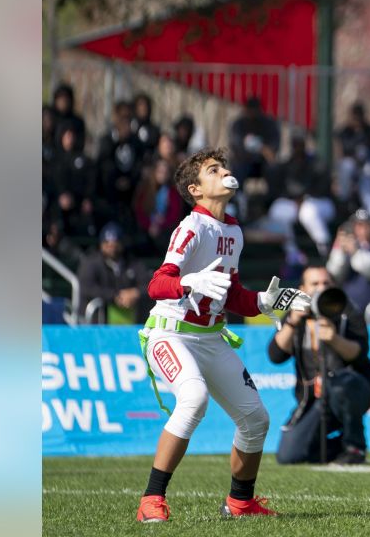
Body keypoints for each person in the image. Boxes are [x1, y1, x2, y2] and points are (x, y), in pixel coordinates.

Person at [135, 148, 310, 522]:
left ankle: (240, 503)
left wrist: (265, 301)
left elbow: (231, 295)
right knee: (194, 398)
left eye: (225, 167)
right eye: (214, 169)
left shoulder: (233, 230)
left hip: (211, 337)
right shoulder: (191, 226)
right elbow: (156, 285)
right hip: (171, 333)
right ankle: (151, 499)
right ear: (195, 189)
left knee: (256, 419)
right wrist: (188, 282)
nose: (225, 172)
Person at [269, 266, 370, 465]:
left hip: (351, 389)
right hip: (316, 400)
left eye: (326, 283)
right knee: (289, 456)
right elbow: (276, 355)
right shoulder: (297, 315)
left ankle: (354, 447)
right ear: (303, 289)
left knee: (341, 385)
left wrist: (334, 339)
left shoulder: (347, 310)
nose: (321, 288)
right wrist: (293, 321)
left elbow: (360, 353)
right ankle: (338, 447)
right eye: (315, 284)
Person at [78, 222, 150, 324]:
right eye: (107, 244)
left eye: (115, 244)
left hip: (129, 323)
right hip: (97, 323)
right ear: (101, 245)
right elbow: (87, 288)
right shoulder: (91, 262)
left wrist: (135, 293)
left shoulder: (133, 263)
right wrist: (115, 296)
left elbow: (148, 284)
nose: (111, 248)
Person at [326, 210, 370, 313]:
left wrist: (356, 253)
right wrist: (340, 250)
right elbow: (333, 273)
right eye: (358, 225)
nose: (362, 229)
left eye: (366, 225)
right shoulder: (346, 245)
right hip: (348, 306)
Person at [335, 101, 370, 200]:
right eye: (355, 116)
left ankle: (369, 200)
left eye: (359, 116)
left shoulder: (369, 129)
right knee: (347, 166)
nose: (357, 119)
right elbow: (345, 148)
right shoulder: (345, 130)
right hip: (349, 161)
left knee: (368, 169)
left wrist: (360, 132)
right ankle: (344, 199)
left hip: (365, 162)